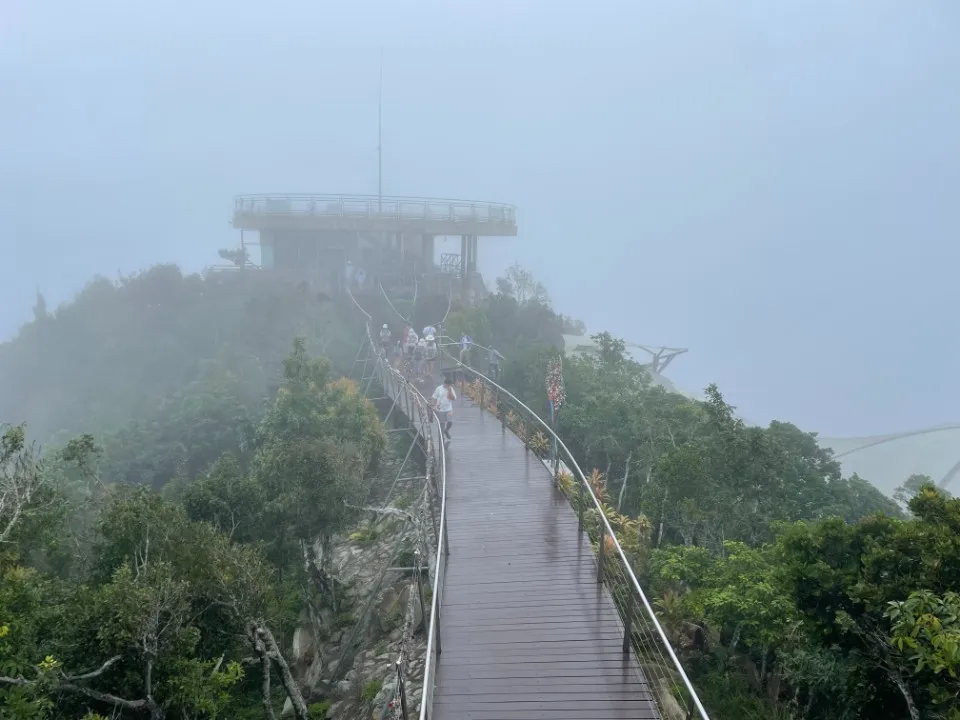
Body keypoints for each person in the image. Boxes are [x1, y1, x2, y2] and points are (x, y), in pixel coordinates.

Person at [431, 376, 457, 443]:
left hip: (448, 408)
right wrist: (434, 405)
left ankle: (446, 430)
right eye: (448, 385)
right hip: (440, 409)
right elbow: (434, 397)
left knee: (450, 421)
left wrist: (450, 391)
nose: (449, 386)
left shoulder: (450, 389)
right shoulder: (439, 388)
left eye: (450, 385)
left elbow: (454, 398)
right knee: (442, 424)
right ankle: (442, 437)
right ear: (445, 383)